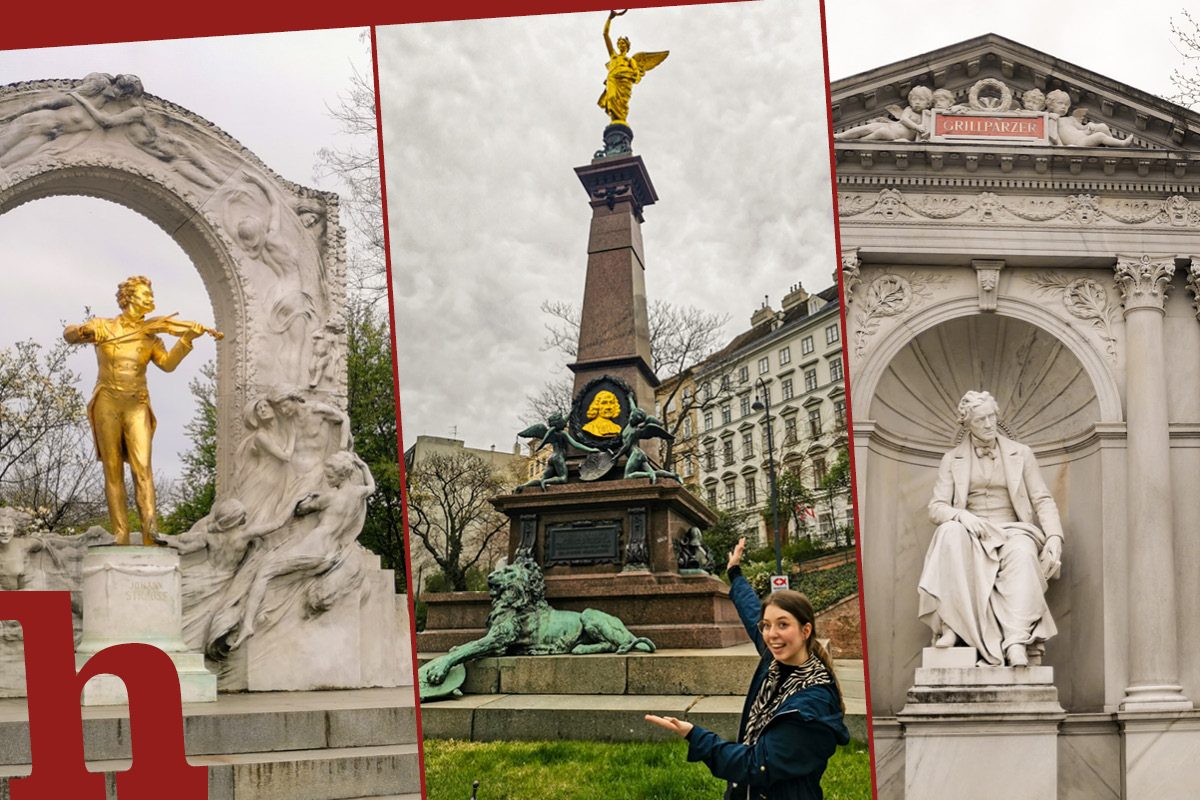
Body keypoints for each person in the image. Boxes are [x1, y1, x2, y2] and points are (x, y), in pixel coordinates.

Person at [645, 537, 850, 800]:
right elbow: (750, 609)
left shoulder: (811, 704)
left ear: (805, 629)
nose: (772, 634)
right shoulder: (774, 661)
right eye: (767, 625)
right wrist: (734, 572)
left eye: (783, 624)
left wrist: (694, 735)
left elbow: (755, 766)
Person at [918, 390, 1063, 666]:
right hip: (972, 532)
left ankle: (1015, 641)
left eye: (991, 416)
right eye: (981, 419)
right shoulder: (952, 459)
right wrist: (962, 516)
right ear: (968, 424)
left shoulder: (1021, 453)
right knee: (948, 532)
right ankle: (953, 626)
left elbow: (1042, 498)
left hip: (1013, 530)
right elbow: (936, 508)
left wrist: (1055, 536)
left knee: (1023, 553)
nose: (988, 424)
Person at [63, 275, 208, 544]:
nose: (151, 301)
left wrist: (187, 339)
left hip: (137, 404)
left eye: (151, 296)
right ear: (129, 298)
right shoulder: (103, 326)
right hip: (107, 400)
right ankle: (120, 533)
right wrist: (83, 331)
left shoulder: (151, 336)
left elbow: (167, 364)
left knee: (143, 469)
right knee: (112, 468)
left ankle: (150, 534)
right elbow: (69, 335)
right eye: (146, 296)